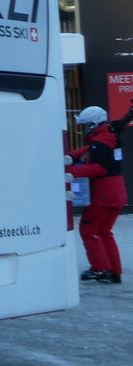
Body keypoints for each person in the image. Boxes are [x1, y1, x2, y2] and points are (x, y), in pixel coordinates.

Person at [67, 105, 128, 284]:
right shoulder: (110, 136)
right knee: (104, 231)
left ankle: (101, 269)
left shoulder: (100, 141)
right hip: (117, 192)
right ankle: (114, 271)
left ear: (93, 124)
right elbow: (93, 151)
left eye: (86, 125)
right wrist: (73, 156)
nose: (85, 129)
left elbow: (99, 167)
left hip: (103, 194)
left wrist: (73, 171)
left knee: (89, 229)